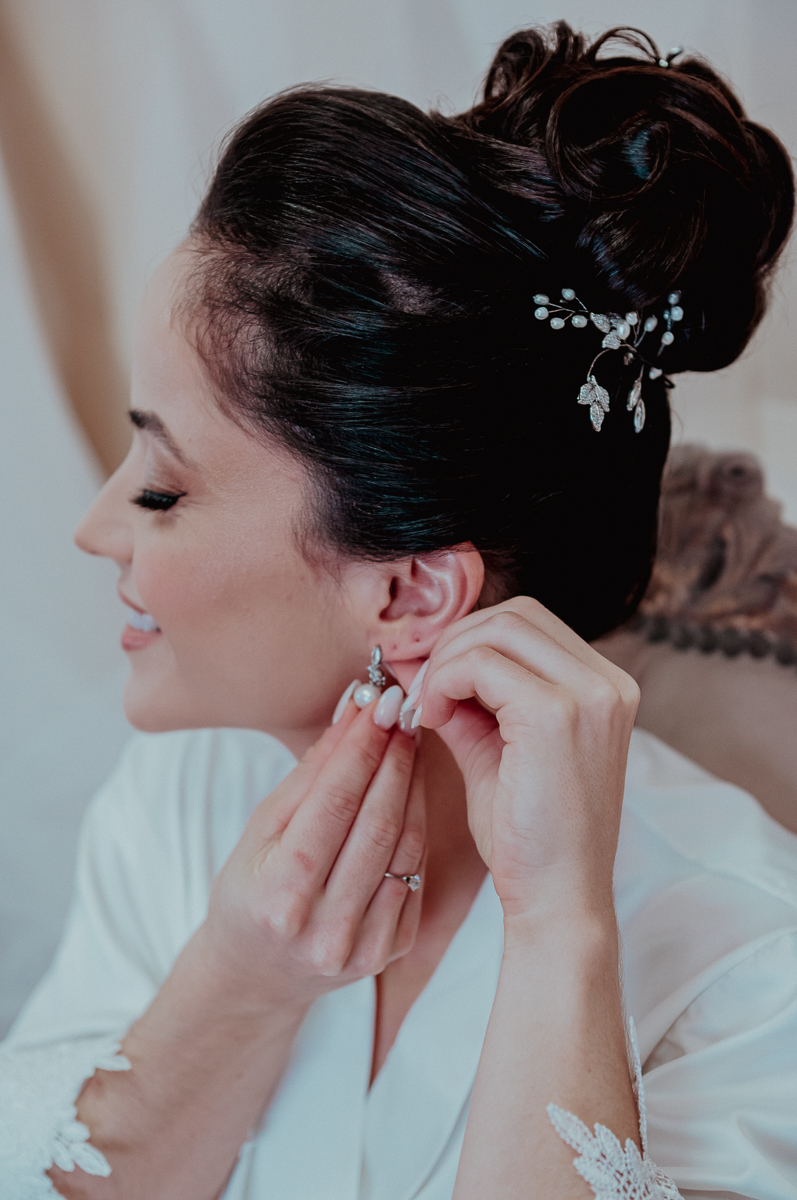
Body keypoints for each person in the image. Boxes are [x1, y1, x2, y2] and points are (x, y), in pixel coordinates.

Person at [1, 21, 796, 1200]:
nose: (96, 528)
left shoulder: (742, 949)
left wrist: (560, 940)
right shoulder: (183, 798)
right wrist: (239, 978)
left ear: (410, 591)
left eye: (163, 489)